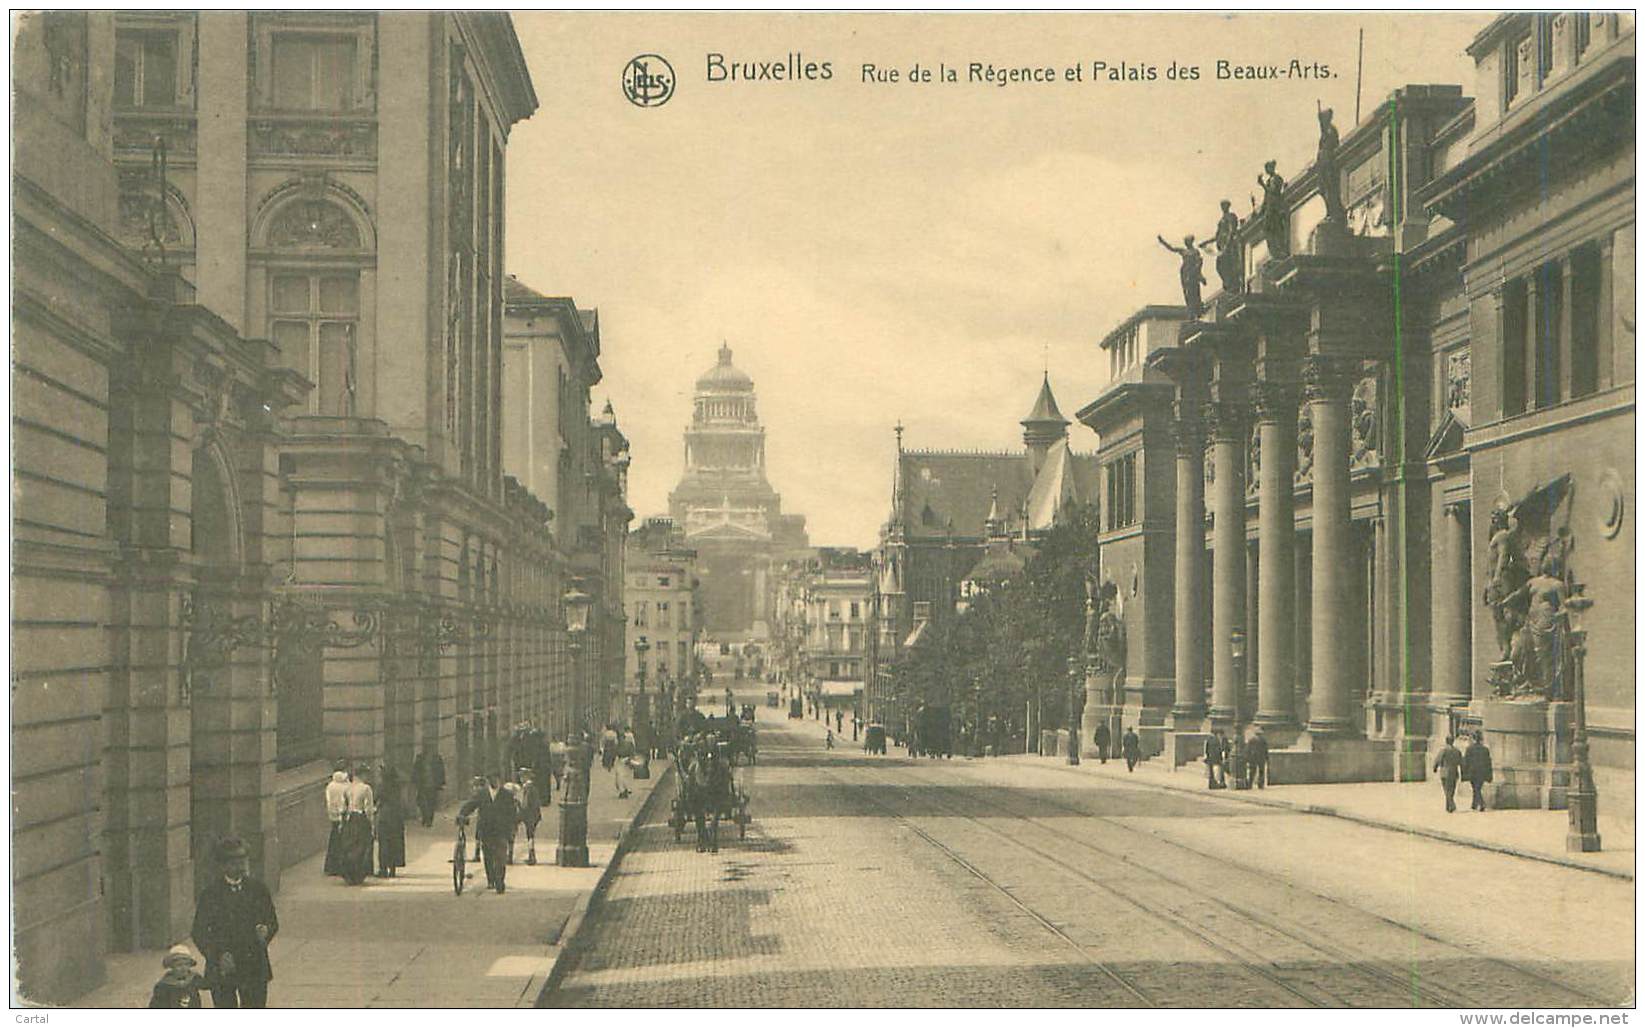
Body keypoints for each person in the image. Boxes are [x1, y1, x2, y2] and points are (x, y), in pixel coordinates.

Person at [191, 836, 277, 1009]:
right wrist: (217, 955)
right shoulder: (210, 894)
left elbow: (272, 920)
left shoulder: (258, 889)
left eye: (243, 861)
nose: (240, 866)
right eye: (234, 862)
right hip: (223, 966)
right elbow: (199, 932)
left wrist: (266, 931)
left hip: (254, 965)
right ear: (222, 866)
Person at [458, 774, 518, 894]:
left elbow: (512, 813)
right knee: (488, 855)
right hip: (486, 830)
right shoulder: (482, 794)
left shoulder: (507, 795)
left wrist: (512, 828)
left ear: (500, 780)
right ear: (488, 781)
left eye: (496, 779)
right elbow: (471, 805)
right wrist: (462, 814)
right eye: (492, 779)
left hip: (501, 830)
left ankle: (500, 881)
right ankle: (491, 879)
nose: (495, 781)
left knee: (501, 856)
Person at [338, 764, 375, 885]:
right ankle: (358, 873)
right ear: (362, 774)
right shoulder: (366, 788)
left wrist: (341, 821)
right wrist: (371, 823)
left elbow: (343, 806)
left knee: (350, 845)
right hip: (361, 818)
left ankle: (349, 872)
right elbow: (368, 808)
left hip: (350, 818)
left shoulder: (348, 788)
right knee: (361, 846)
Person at [376, 762, 406, 878]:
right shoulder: (397, 786)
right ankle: (393, 868)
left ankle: (383, 868)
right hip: (397, 817)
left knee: (384, 843)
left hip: (385, 816)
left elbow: (376, 799)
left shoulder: (382, 786)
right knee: (395, 842)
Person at [323, 768, 349, 877]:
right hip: (342, 816)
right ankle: (341, 865)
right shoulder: (346, 786)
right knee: (343, 841)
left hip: (333, 816)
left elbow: (329, 802)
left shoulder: (330, 786)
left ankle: (330, 866)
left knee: (333, 841)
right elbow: (345, 802)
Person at [515, 769, 543, 865]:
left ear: (526, 777)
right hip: (534, 815)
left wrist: (518, 803)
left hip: (529, 815)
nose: (520, 778)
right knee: (530, 836)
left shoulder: (528, 788)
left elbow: (525, 804)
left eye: (522, 776)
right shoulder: (532, 787)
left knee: (530, 836)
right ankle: (531, 856)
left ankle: (531, 857)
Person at [411, 750, 445, 828]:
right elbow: (415, 770)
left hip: (432, 785)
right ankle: (425, 817)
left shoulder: (437, 759)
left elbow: (441, 771)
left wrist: (441, 783)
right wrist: (415, 781)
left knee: (431, 803)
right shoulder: (420, 758)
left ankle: (429, 819)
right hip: (422, 785)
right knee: (421, 802)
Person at [1463, 731, 1493, 812]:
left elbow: (1466, 761)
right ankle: (1474, 804)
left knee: (1476, 788)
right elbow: (1488, 762)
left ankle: (1481, 803)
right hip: (1482, 772)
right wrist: (1489, 774)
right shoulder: (1485, 749)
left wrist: (1464, 772)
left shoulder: (1469, 749)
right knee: (1477, 787)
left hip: (1472, 772)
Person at [1433, 734, 1464, 813]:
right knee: (1452, 789)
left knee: (1446, 790)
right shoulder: (1457, 751)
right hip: (1454, 772)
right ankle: (1449, 806)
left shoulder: (1443, 750)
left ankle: (1451, 805)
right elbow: (1461, 762)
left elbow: (1438, 760)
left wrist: (1435, 768)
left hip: (1444, 773)